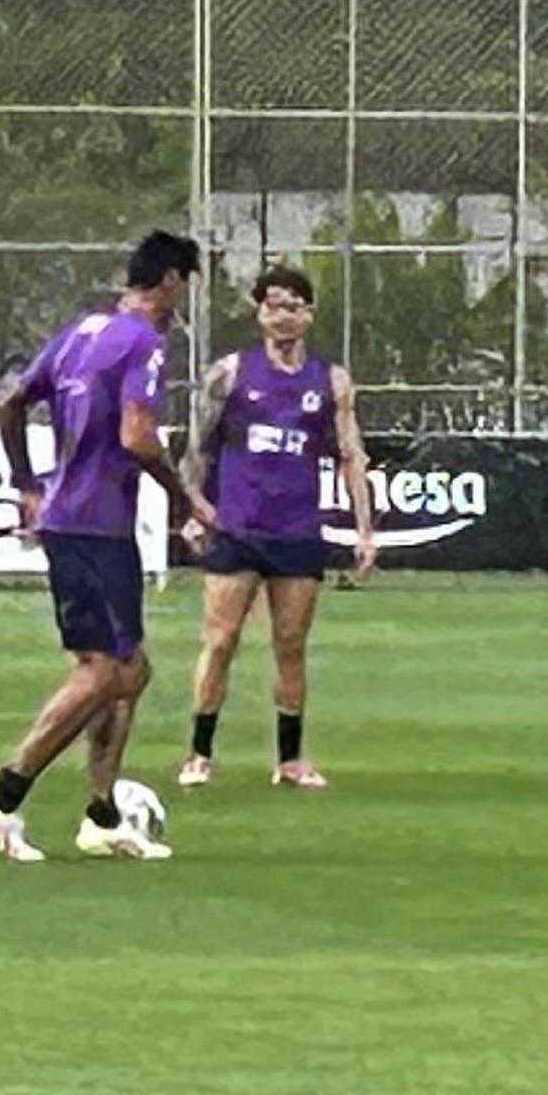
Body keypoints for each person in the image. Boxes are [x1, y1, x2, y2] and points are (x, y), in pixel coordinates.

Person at [0, 231, 215, 864]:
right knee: (106, 671)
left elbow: (8, 404)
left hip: (80, 519)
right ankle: (3, 791)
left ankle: (102, 815)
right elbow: (137, 435)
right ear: (172, 282)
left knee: (129, 668)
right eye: (186, 286)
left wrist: (28, 484)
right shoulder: (144, 342)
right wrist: (182, 495)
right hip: (92, 524)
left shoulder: (80, 333)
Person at [176, 264, 378, 791]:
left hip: (297, 531)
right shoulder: (230, 373)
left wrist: (364, 528)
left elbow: (351, 455)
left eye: (294, 306)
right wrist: (192, 509)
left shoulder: (331, 381)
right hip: (237, 528)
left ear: (308, 315)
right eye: (274, 305)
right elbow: (197, 447)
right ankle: (199, 753)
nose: (284, 316)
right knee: (220, 640)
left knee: (290, 644)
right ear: (259, 313)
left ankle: (290, 760)